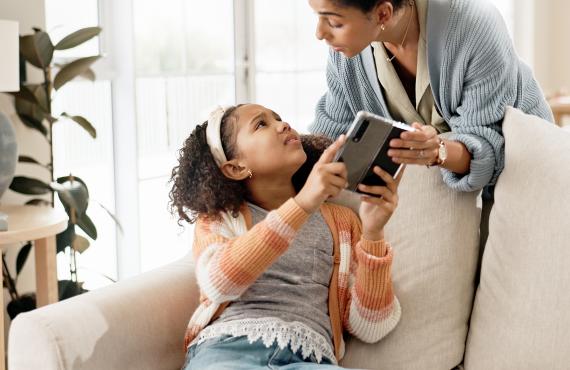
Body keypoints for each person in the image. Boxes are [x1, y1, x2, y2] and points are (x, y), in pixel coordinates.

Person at [169, 103, 402, 369]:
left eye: (278, 118)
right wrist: (302, 204)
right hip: (229, 350)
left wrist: (373, 233)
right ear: (236, 168)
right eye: (261, 124)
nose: (283, 124)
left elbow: (373, 327)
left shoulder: (342, 222)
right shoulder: (221, 217)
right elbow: (218, 283)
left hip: (310, 359)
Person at [308, 0, 553, 197]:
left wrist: (436, 151)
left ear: (383, 13)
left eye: (333, 22)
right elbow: (331, 133)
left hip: (525, 168)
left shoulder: (473, 24)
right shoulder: (346, 53)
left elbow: (489, 144)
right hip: (450, 185)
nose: (319, 33)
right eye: (317, 16)